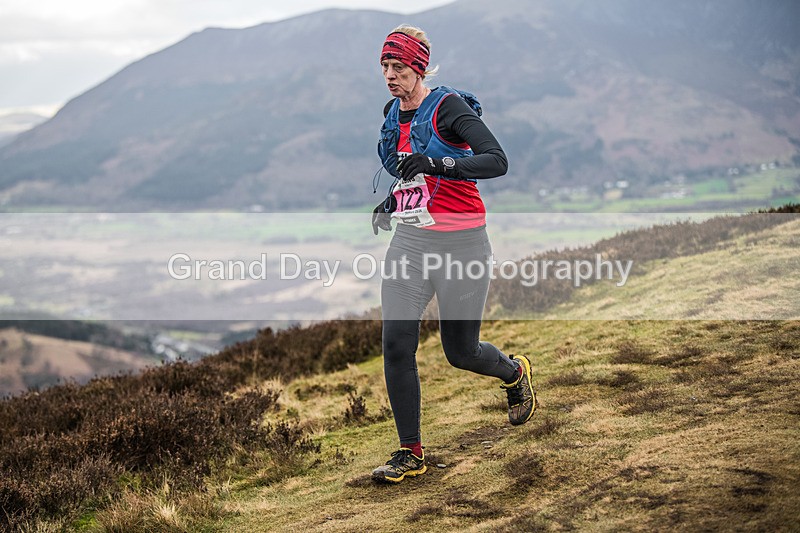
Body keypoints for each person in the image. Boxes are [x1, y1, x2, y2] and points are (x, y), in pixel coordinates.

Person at [370, 25, 538, 484]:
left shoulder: (448, 108)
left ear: (418, 67)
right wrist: (393, 202)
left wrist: (437, 162)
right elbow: (416, 178)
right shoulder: (393, 114)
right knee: (395, 344)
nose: (389, 75)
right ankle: (410, 452)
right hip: (411, 243)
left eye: (398, 67)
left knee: (460, 353)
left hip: (463, 245)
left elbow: (495, 160)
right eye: (384, 66)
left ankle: (513, 371)